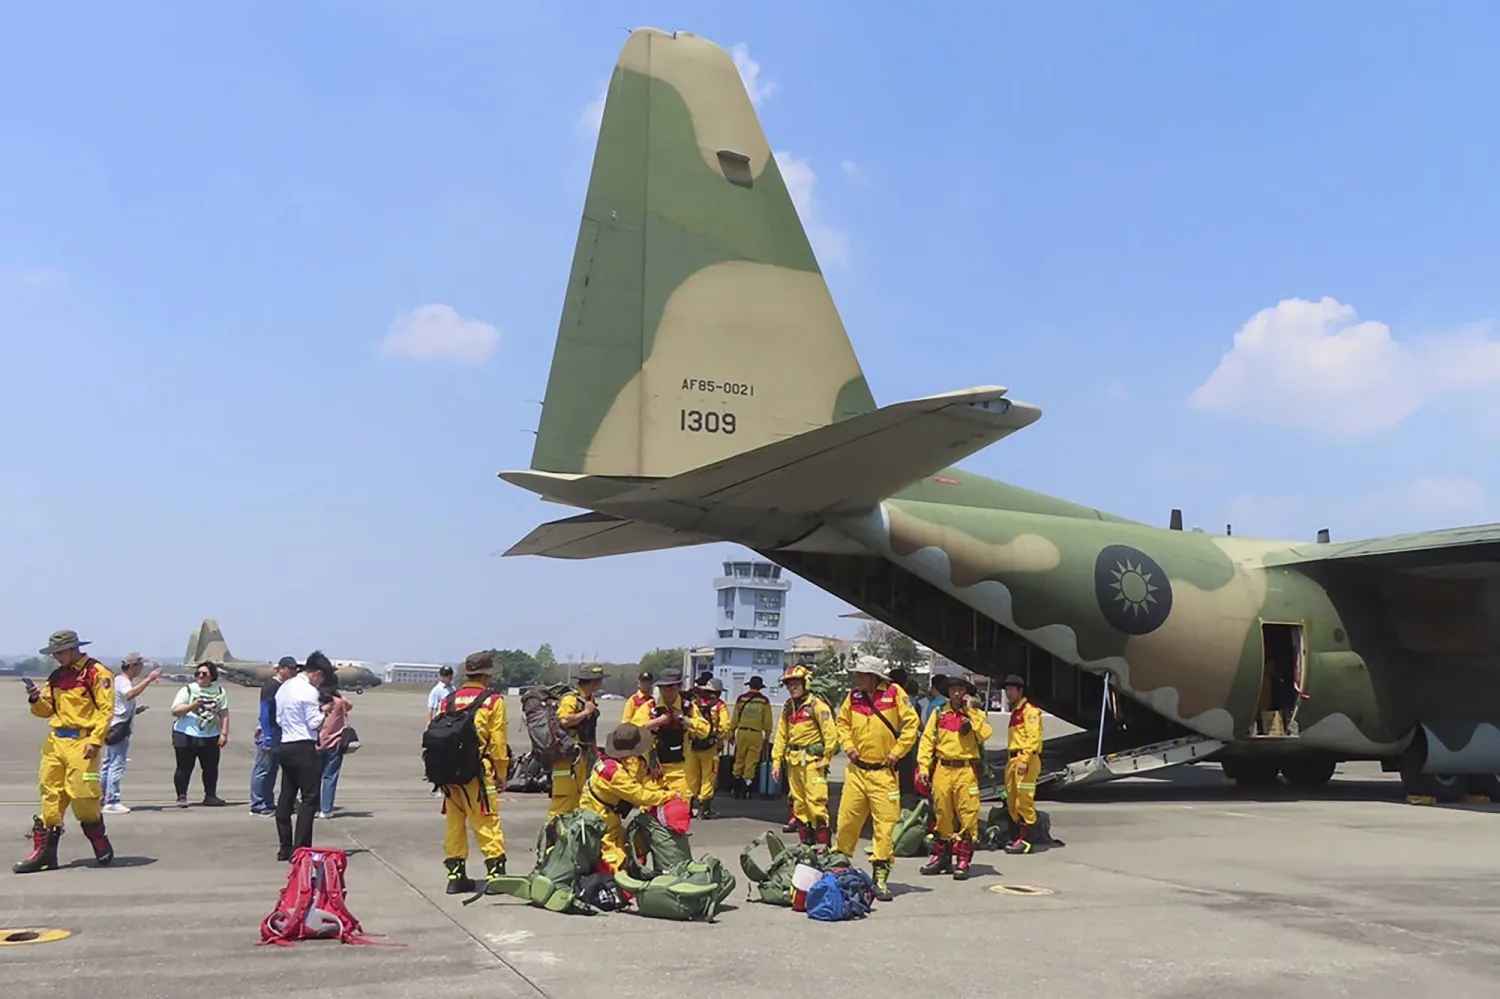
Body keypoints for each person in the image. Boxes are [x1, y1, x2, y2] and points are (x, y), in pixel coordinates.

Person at [14, 630, 118, 874]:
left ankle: (97, 837)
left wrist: (95, 740)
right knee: (51, 795)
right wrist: (35, 699)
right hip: (56, 742)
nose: (56, 657)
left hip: (82, 743)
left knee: (83, 796)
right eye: (54, 654)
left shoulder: (97, 673)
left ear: (73, 649)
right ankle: (45, 853)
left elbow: (106, 711)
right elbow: (45, 711)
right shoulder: (57, 676)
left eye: (60, 653)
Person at [834, 656, 918, 902]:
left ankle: (880, 877)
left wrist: (897, 752)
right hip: (856, 772)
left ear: (874, 677)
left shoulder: (894, 693)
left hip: (883, 773)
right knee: (847, 821)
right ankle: (839, 866)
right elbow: (842, 723)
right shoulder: (853, 696)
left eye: (861, 674)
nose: (857, 678)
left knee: (884, 826)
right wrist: (848, 746)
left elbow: (912, 724)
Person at [438, 651, 509, 894]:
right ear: (486, 676)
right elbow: (498, 742)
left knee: (454, 824)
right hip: (477, 772)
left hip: (449, 773)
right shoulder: (493, 701)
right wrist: (501, 773)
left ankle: (456, 876)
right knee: (486, 822)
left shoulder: (448, 700)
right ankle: (496, 875)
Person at [915, 676, 993, 880]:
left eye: (960, 690)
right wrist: (923, 767)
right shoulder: (939, 713)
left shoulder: (975, 714)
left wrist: (971, 712)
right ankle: (942, 857)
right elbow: (927, 741)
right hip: (943, 768)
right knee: (942, 813)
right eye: (953, 690)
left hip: (966, 770)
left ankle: (963, 860)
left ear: (966, 693)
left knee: (968, 815)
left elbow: (985, 734)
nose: (957, 693)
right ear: (948, 693)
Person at [581, 723, 680, 871]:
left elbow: (638, 777)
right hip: (601, 822)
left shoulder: (615, 760)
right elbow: (639, 795)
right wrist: (668, 796)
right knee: (615, 863)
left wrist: (649, 770)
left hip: (606, 815)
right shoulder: (613, 773)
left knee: (630, 847)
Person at [769, 665, 837, 846]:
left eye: (796, 684)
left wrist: (826, 758)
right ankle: (806, 843)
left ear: (806, 683)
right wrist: (776, 762)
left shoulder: (817, 706)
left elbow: (831, 734)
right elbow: (781, 736)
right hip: (794, 762)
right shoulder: (788, 707)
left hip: (813, 762)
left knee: (816, 803)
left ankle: (823, 845)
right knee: (798, 804)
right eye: (789, 685)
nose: (792, 688)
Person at [273, 651, 331, 861]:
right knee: (309, 799)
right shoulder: (309, 691)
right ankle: (301, 849)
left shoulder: (284, 687)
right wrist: (324, 711)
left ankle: (285, 847)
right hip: (304, 746)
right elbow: (314, 723)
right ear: (317, 673)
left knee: (286, 796)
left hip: (286, 744)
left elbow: (279, 719)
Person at [101, 652, 163, 815]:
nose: (141, 669)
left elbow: (120, 705)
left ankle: (102, 797)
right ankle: (112, 801)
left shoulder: (118, 681)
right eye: (140, 666)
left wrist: (135, 710)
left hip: (115, 725)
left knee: (108, 763)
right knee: (116, 764)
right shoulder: (123, 682)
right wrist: (149, 679)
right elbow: (130, 694)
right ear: (132, 666)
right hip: (118, 728)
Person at [169, 661, 230, 807]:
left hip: (210, 735)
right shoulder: (188, 690)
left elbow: (224, 714)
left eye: (204, 674)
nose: (201, 676)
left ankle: (210, 795)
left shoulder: (220, 691)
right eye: (198, 673)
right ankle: (181, 796)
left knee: (210, 768)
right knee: (184, 767)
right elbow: (175, 711)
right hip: (186, 734)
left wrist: (224, 733)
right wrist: (193, 706)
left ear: (212, 676)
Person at [550, 664, 605, 817]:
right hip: (567, 757)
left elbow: (590, 731)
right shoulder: (570, 699)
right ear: (593, 682)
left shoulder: (589, 699)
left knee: (581, 799)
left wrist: (595, 755)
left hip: (583, 756)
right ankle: (553, 831)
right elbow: (564, 720)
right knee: (563, 802)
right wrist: (585, 712)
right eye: (600, 680)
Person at [646, 669, 708, 797]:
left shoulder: (688, 707)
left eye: (672, 687)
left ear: (679, 687)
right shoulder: (650, 707)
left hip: (681, 769)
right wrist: (658, 721)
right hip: (655, 768)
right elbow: (633, 730)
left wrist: (683, 719)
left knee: (680, 804)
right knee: (649, 805)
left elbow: (704, 730)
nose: (667, 691)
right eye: (664, 687)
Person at [1002, 673, 1044, 854]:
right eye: (1007, 689)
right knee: (1012, 799)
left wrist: (1025, 759)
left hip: (1025, 759)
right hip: (1013, 759)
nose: (1008, 693)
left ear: (1020, 691)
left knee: (1023, 799)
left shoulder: (1030, 712)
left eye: (1011, 689)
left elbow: (1033, 738)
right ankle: (1018, 834)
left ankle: (1028, 840)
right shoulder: (1016, 712)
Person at [250, 657, 298, 815]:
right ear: (281, 669)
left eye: (294, 669)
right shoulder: (271, 686)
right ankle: (258, 804)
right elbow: (265, 711)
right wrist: (267, 734)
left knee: (272, 770)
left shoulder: (285, 686)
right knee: (263, 769)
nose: (293, 672)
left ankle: (268, 802)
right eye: (290, 668)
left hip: (279, 732)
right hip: (270, 731)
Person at [685, 677, 729, 818]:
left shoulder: (695, 703)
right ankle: (704, 810)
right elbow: (725, 726)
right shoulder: (720, 705)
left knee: (692, 777)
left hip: (693, 745)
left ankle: (688, 808)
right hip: (710, 748)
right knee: (708, 777)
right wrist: (717, 738)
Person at [728, 675, 772, 799]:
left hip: (742, 733)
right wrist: (767, 735)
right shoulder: (764, 701)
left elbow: (735, 718)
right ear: (760, 687)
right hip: (756, 734)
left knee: (739, 759)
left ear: (750, 685)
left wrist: (731, 732)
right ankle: (745, 790)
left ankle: (735, 788)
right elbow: (767, 721)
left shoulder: (741, 699)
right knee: (751, 761)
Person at [315, 681, 353, 819]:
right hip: (334, 744)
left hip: (316, 743)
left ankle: (313, 805)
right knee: (330, 777)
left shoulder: (315, 702)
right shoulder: (339, 702)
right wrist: (338, 694)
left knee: (313, 778)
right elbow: (349, 705)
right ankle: (326, 809)